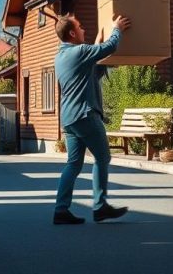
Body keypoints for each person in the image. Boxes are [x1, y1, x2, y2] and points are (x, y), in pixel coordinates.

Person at [52, 12, 131, 225]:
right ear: (71, 33)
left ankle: (61, 210)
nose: (83, 29)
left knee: (74, 164)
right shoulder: (80, 52)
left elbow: (91, 73)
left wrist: (97, 47)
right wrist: (117, 29)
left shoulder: (60, 56)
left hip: (69, 119)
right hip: (85, 114)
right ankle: (99, 206)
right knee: (103, 158)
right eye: (80, 27)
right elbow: (109, 48)